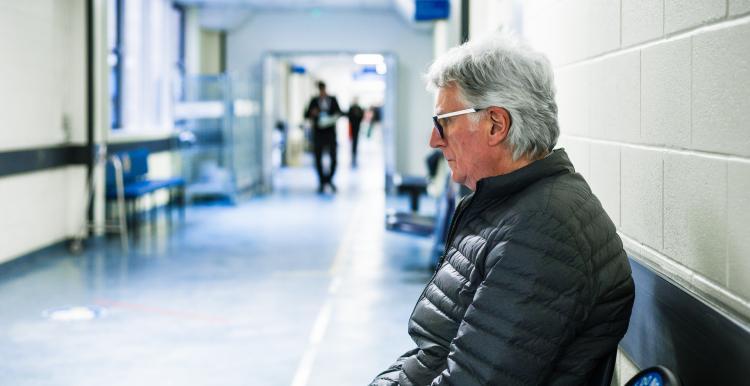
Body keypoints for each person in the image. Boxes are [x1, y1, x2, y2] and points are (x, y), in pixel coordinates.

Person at [369, 31, 635, 386]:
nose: (434, 140)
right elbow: (431, 353)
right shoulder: (506, 208)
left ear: (496, 124)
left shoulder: (543, 229)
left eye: (444, 121)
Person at [305, 81, 342, 193]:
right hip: (318, 134)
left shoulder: (333, 100)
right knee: (317, 158)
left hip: (330, 133)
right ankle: (322, 180)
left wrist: (332, 118)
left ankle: (329, 179)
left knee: (334, 158)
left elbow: (339, 112)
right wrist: (313, 114)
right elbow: (306, 114)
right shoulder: (314, 101)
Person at [347, 98, 365, 167]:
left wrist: (358, 120)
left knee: (356, 139)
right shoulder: (351, 108)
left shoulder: (359, 108)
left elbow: (361, 116)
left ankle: (355, 151)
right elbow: (349, 116)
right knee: (353, 139)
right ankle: (353, 151)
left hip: (357, 125)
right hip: (353, 125)